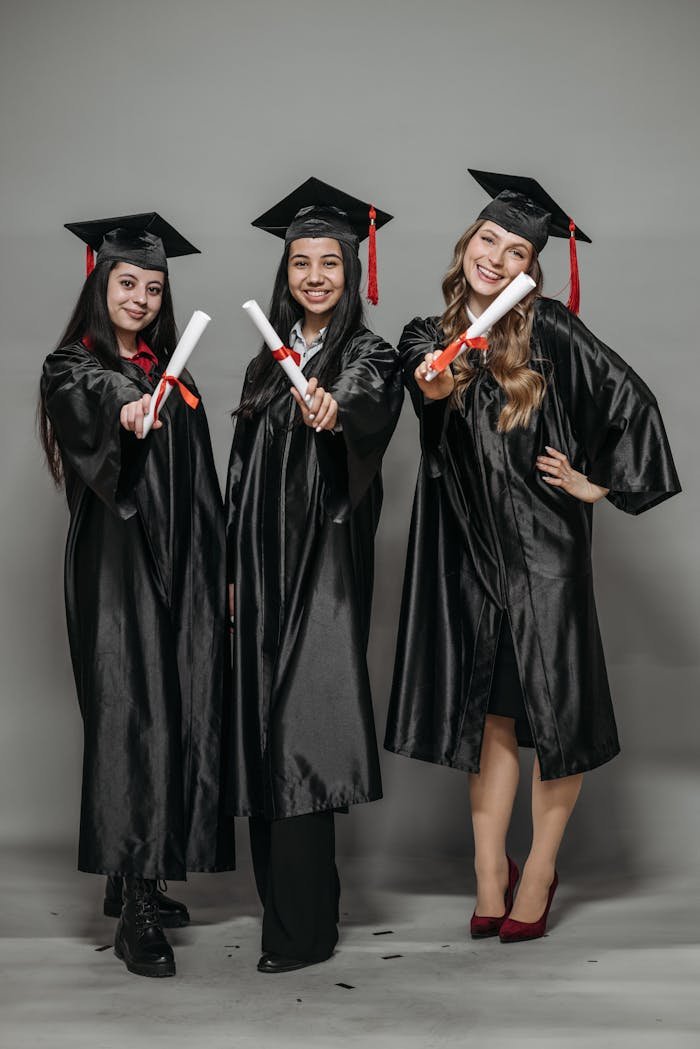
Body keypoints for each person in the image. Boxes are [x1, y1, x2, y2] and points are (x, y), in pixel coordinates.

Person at [384, 171, 681, 943]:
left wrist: (599, 485)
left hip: (547, 554)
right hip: (468, 556)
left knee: (556, 712)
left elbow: (631, 400)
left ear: (532, 268)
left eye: (517, 251)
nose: (497, 257)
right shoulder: (426, 332)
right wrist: (442, 375)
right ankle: (490, 872)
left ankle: (540, 868)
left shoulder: (548, 329)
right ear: (466, 244)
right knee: (492, 716)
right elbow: (433, 385)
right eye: (489, 239)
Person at [39, 213, 235, 977]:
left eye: (154, 287)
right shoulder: (74, 364)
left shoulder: (173, 375)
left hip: (183, 567)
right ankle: (138, 914)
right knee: (131, 716)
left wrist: (220, 570)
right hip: (118, 568)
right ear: (101, 282)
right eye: (128, 283)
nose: (142, 298)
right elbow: (91, 400)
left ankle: (138, 877)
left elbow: (205, 486)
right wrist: (125, 409)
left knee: (177, 706)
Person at [227, 178, 402, 973]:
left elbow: (366, 403)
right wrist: (231, 570)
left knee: (304, 734)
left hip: (323, 573)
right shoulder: (266, 364)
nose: (314, 276)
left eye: (329, 261)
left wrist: (335, 408)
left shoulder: (366, 353)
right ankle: (293, 913)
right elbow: (238, 479)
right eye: (301, 263)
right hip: (260, 577)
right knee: (265, 733)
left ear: (351, 270)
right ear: (285, 274)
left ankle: (300, 933)